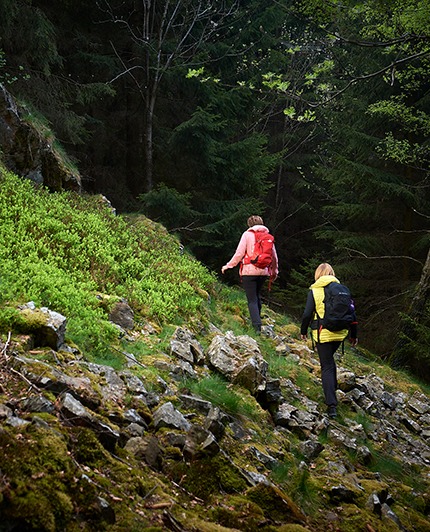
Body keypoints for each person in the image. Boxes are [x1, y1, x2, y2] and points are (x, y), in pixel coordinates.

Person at [300, 263, 358, 418]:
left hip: (323, 333)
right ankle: (332, 391)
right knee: (330, 363)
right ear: (332, 273)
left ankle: (331, 406)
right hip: (340, 333)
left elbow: (307, 314)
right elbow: (352, 314)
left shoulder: (315, 290)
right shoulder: (343, 290)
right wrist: (354, 335)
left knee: (326, 366)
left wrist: (303, 331)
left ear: (317, 274)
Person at [221, 215, 278, 333]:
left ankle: (256, 327)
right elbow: (274, 257)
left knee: (251, 299)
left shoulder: (247, 235)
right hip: (263, 272)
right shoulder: (268, 237)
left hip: (249, 271)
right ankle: (258, 320)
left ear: (249, 224)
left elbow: (239, 253)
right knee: (257, 296)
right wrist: (274, 271)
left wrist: (228, 265)